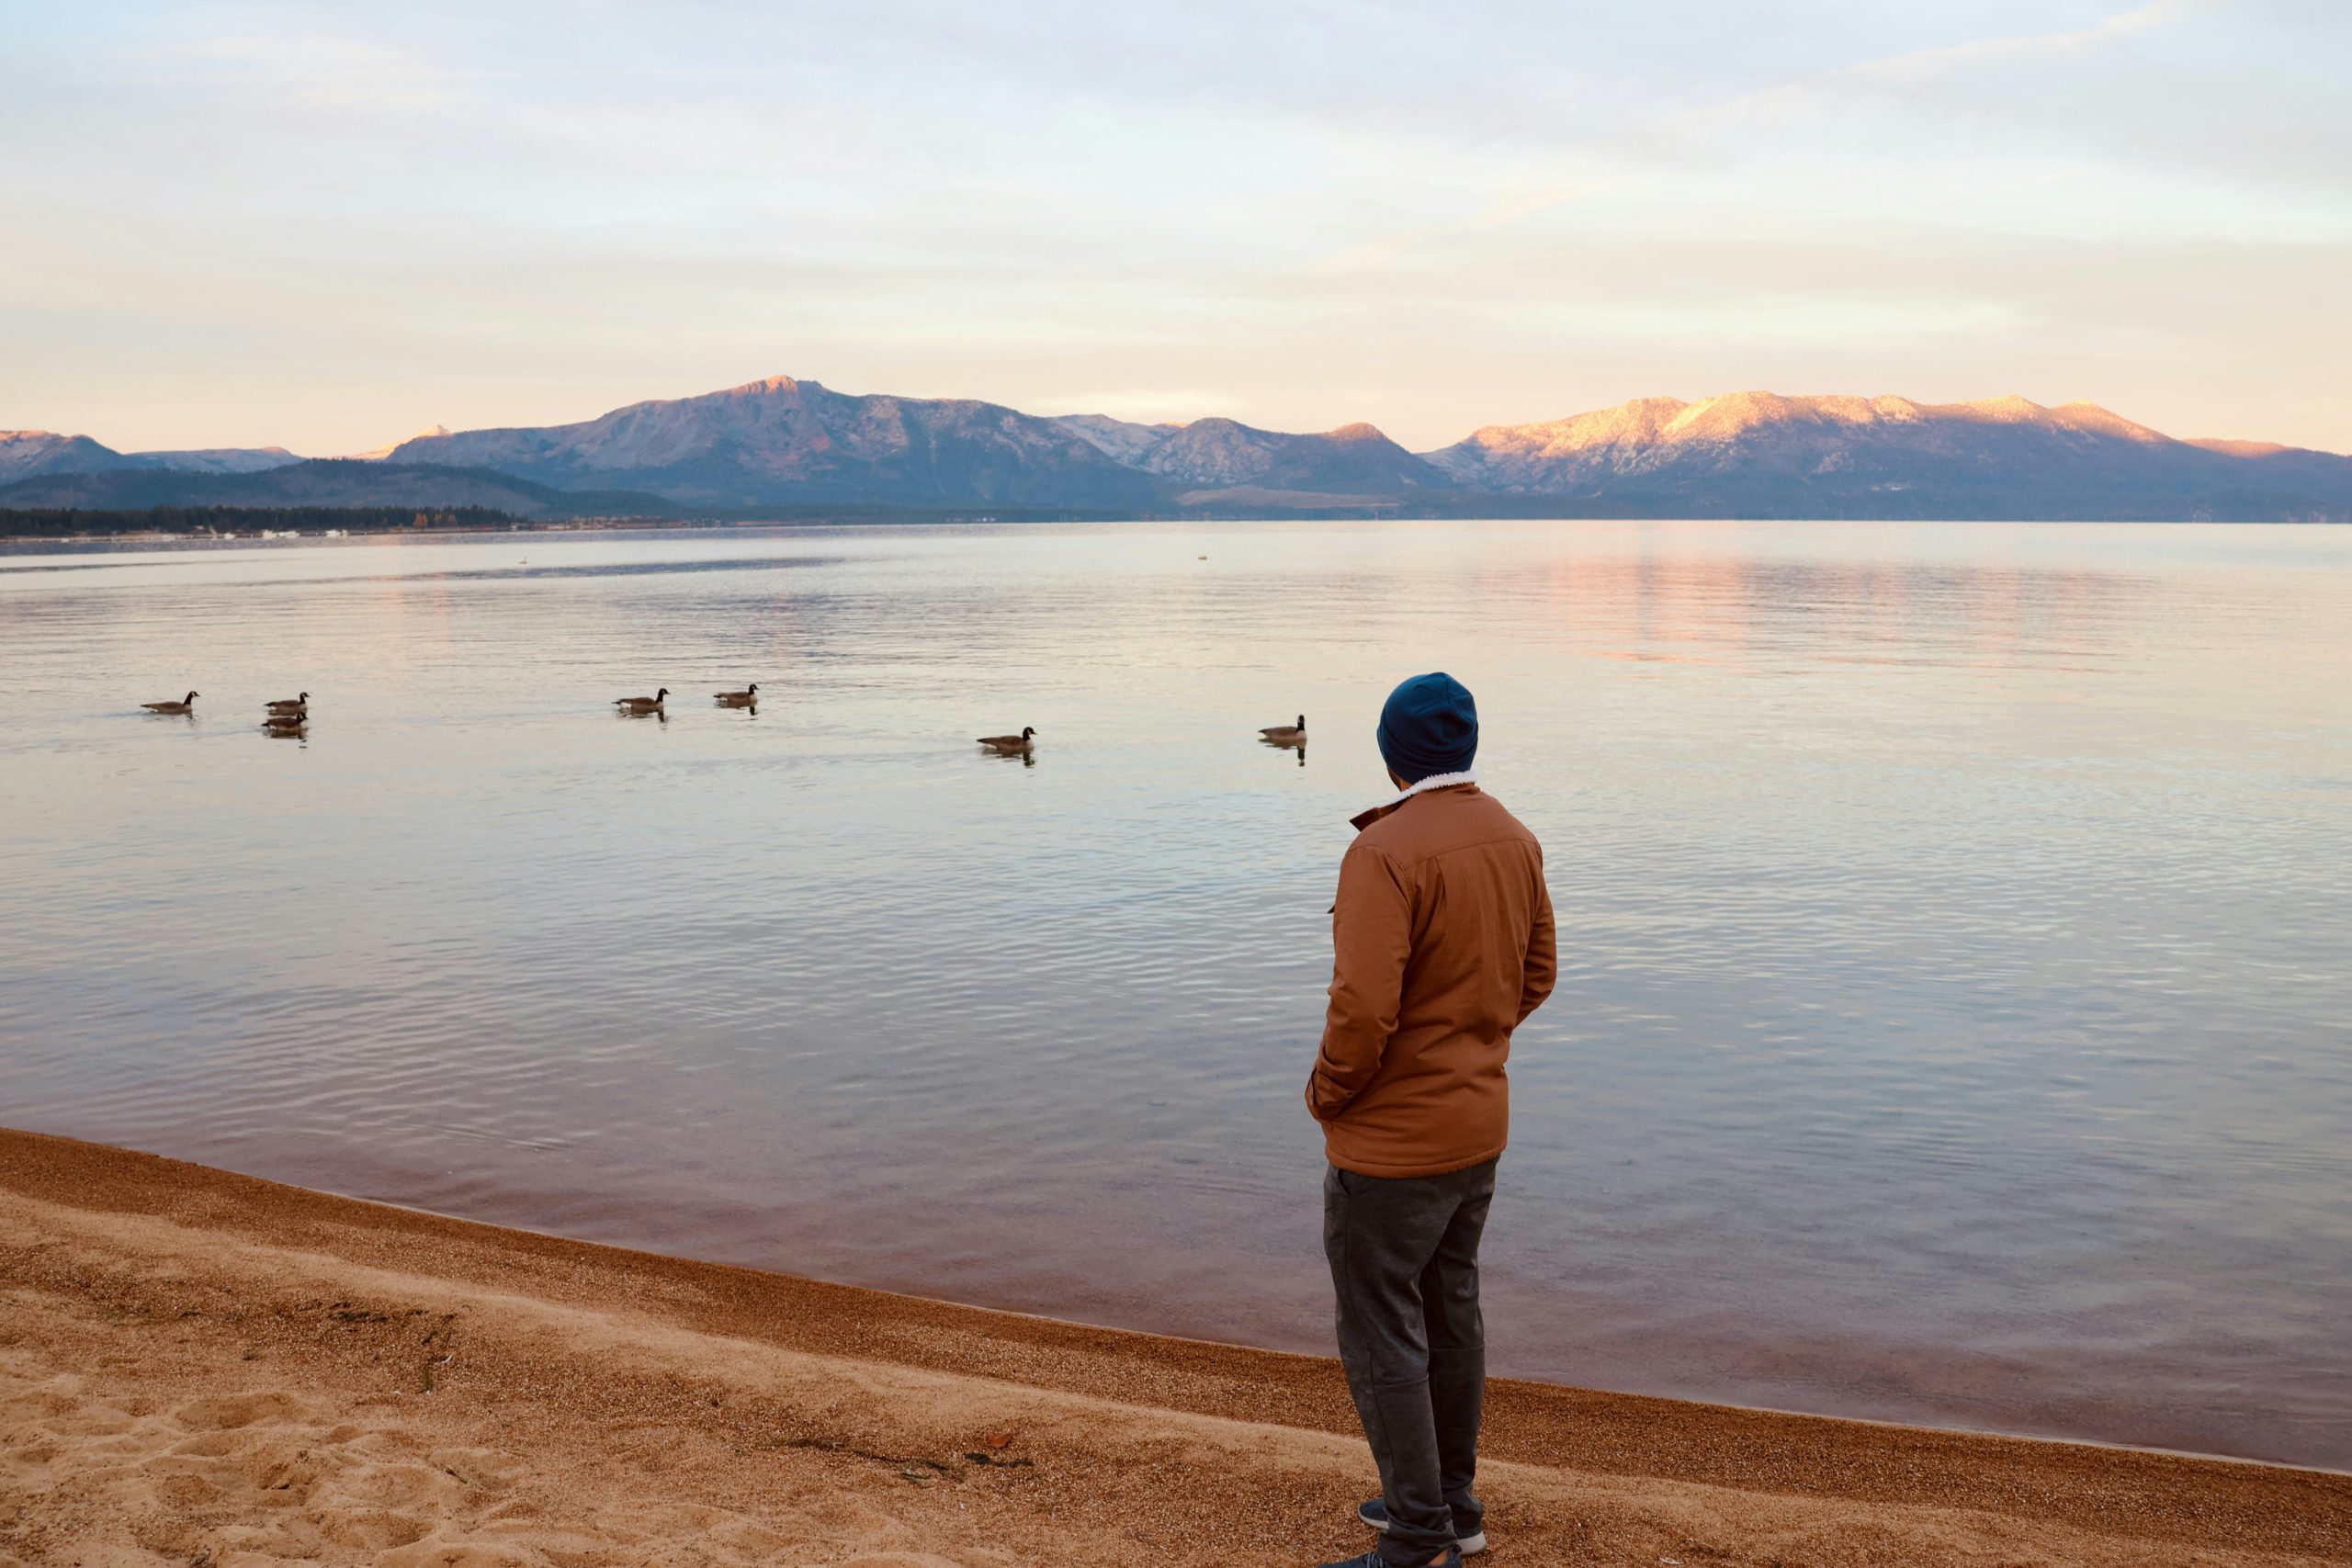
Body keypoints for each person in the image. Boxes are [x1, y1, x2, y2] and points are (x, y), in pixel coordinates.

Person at [1306, 671, 1556, 1568]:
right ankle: (1451, 1506)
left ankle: (1416, 1534)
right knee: (1450, 1314)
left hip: (1392, 1145)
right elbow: (1535, 976)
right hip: (1476, 1128)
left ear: (1392, 753)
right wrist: (1466, 1050)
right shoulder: (1514, 838)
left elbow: (1363, 1010)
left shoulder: (1385, 853)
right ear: (1467, 746)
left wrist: (1327, 1093)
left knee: (1381, 1328)